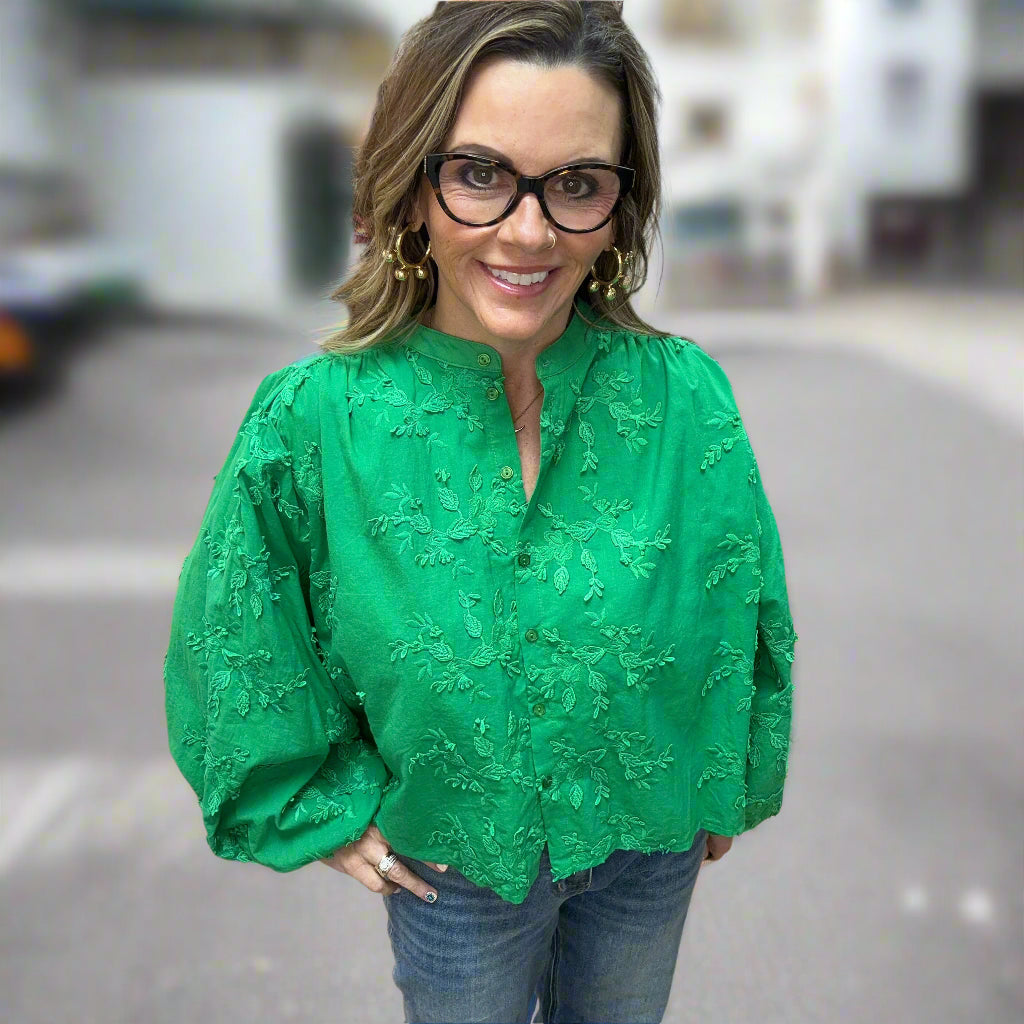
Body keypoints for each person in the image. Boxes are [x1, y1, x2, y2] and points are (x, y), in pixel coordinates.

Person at [163, 3, 798, 1022]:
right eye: (480, 174)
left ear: (621, 204)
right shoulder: (312, 420)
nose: (528, 230)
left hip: (649, 841)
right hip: (455, 865)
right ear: (414, 186)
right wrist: (323, 810)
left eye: (577, 184)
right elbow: (235, 633)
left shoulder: (684, 396)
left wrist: (725, 768)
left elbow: (742, 598)